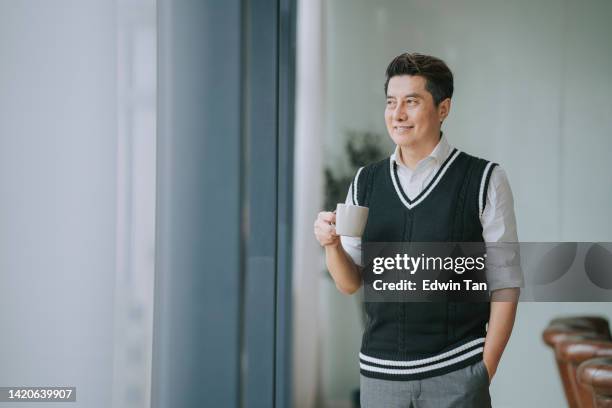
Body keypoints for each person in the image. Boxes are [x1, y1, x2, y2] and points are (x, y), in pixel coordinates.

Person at [313, 53, 523, 408]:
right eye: (391, 103)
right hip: (380, 377)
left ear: (443, 109)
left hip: (456, 373)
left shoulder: (485, 179)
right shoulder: (365, 182)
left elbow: (506, 284)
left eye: (411, 102)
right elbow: (349, 283)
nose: (398, 114)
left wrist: (483, 371)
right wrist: (331, 245)